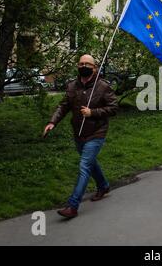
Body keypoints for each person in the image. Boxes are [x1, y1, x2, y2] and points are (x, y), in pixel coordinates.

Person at [44, 54, 118, 218]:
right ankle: (103, 186)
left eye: (87, 64)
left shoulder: (103, 86)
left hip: (96, 132)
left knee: (84, 166)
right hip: (78, 132)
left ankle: (72, 206)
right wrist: (52, 122)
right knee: (90, 164)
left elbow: (113, 108)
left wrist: (93, 112)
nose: (83, 66)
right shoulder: (72, 86)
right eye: (81, 63)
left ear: (94, 68)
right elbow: (63, 106)